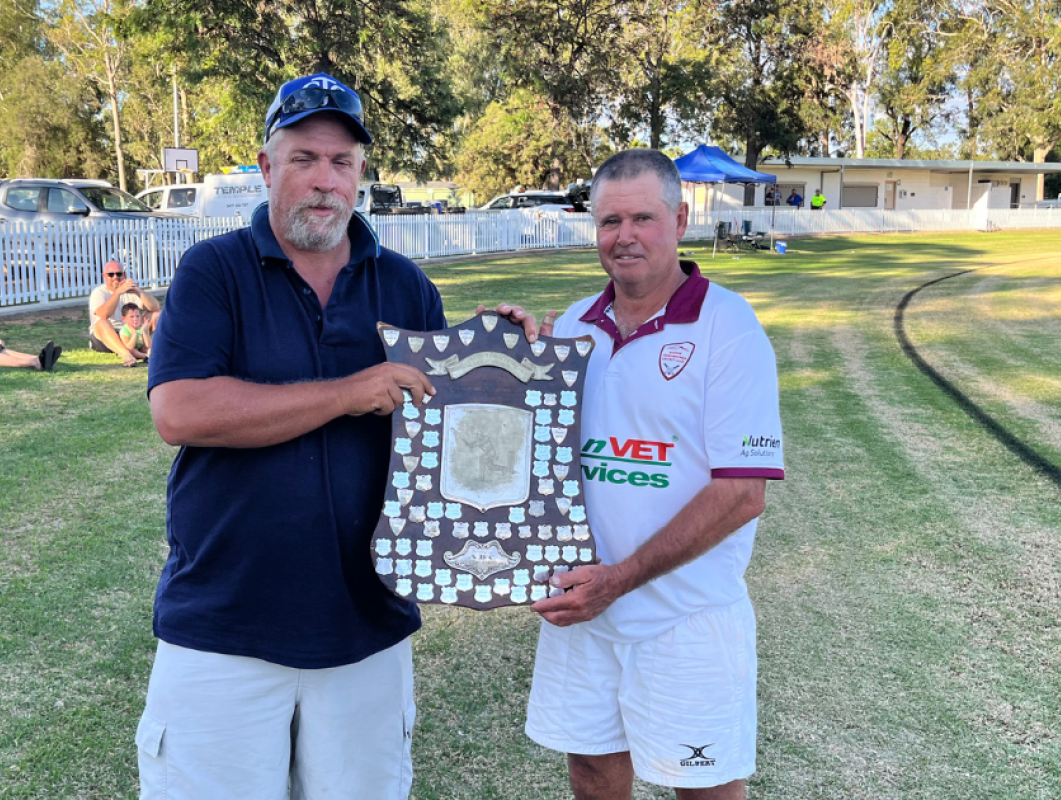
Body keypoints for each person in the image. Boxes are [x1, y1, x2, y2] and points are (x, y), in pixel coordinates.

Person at [137, 73, 538, 800]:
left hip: (366, 625)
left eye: (342, 163)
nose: (325, 181)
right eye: (304, 159)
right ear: (266, 168)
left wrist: (500, 360)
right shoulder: (213, 271)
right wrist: (350, 392)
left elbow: (447, 428)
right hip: (224, 623)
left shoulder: (406, 285)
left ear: (361, 176)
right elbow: (181, 412)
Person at [527, 149, 785, 800]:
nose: (625, 237)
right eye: (609, 221)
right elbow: (536, 452)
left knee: (703, 789)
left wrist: (619, 581)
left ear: (680, 218)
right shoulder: (574, 326)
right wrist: (509, 361)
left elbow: (741, 494)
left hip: (684, 619)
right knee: (591, 774)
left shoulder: (729, 327)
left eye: (643, 217)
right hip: (583, 611)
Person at [88, 259, 160, 367]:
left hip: (130, 333)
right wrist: (118, 292)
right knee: (101, 322)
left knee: (157, 315)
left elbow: (155, 307)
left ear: (124, 274)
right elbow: (103, 314)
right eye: (111, 275)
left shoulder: (131, 291)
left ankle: (144, 350)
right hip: (108, 336)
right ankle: (128, 356)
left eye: (119, 274)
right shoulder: (99, 293)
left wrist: (139, 291)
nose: (115, 277)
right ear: (104, 276)